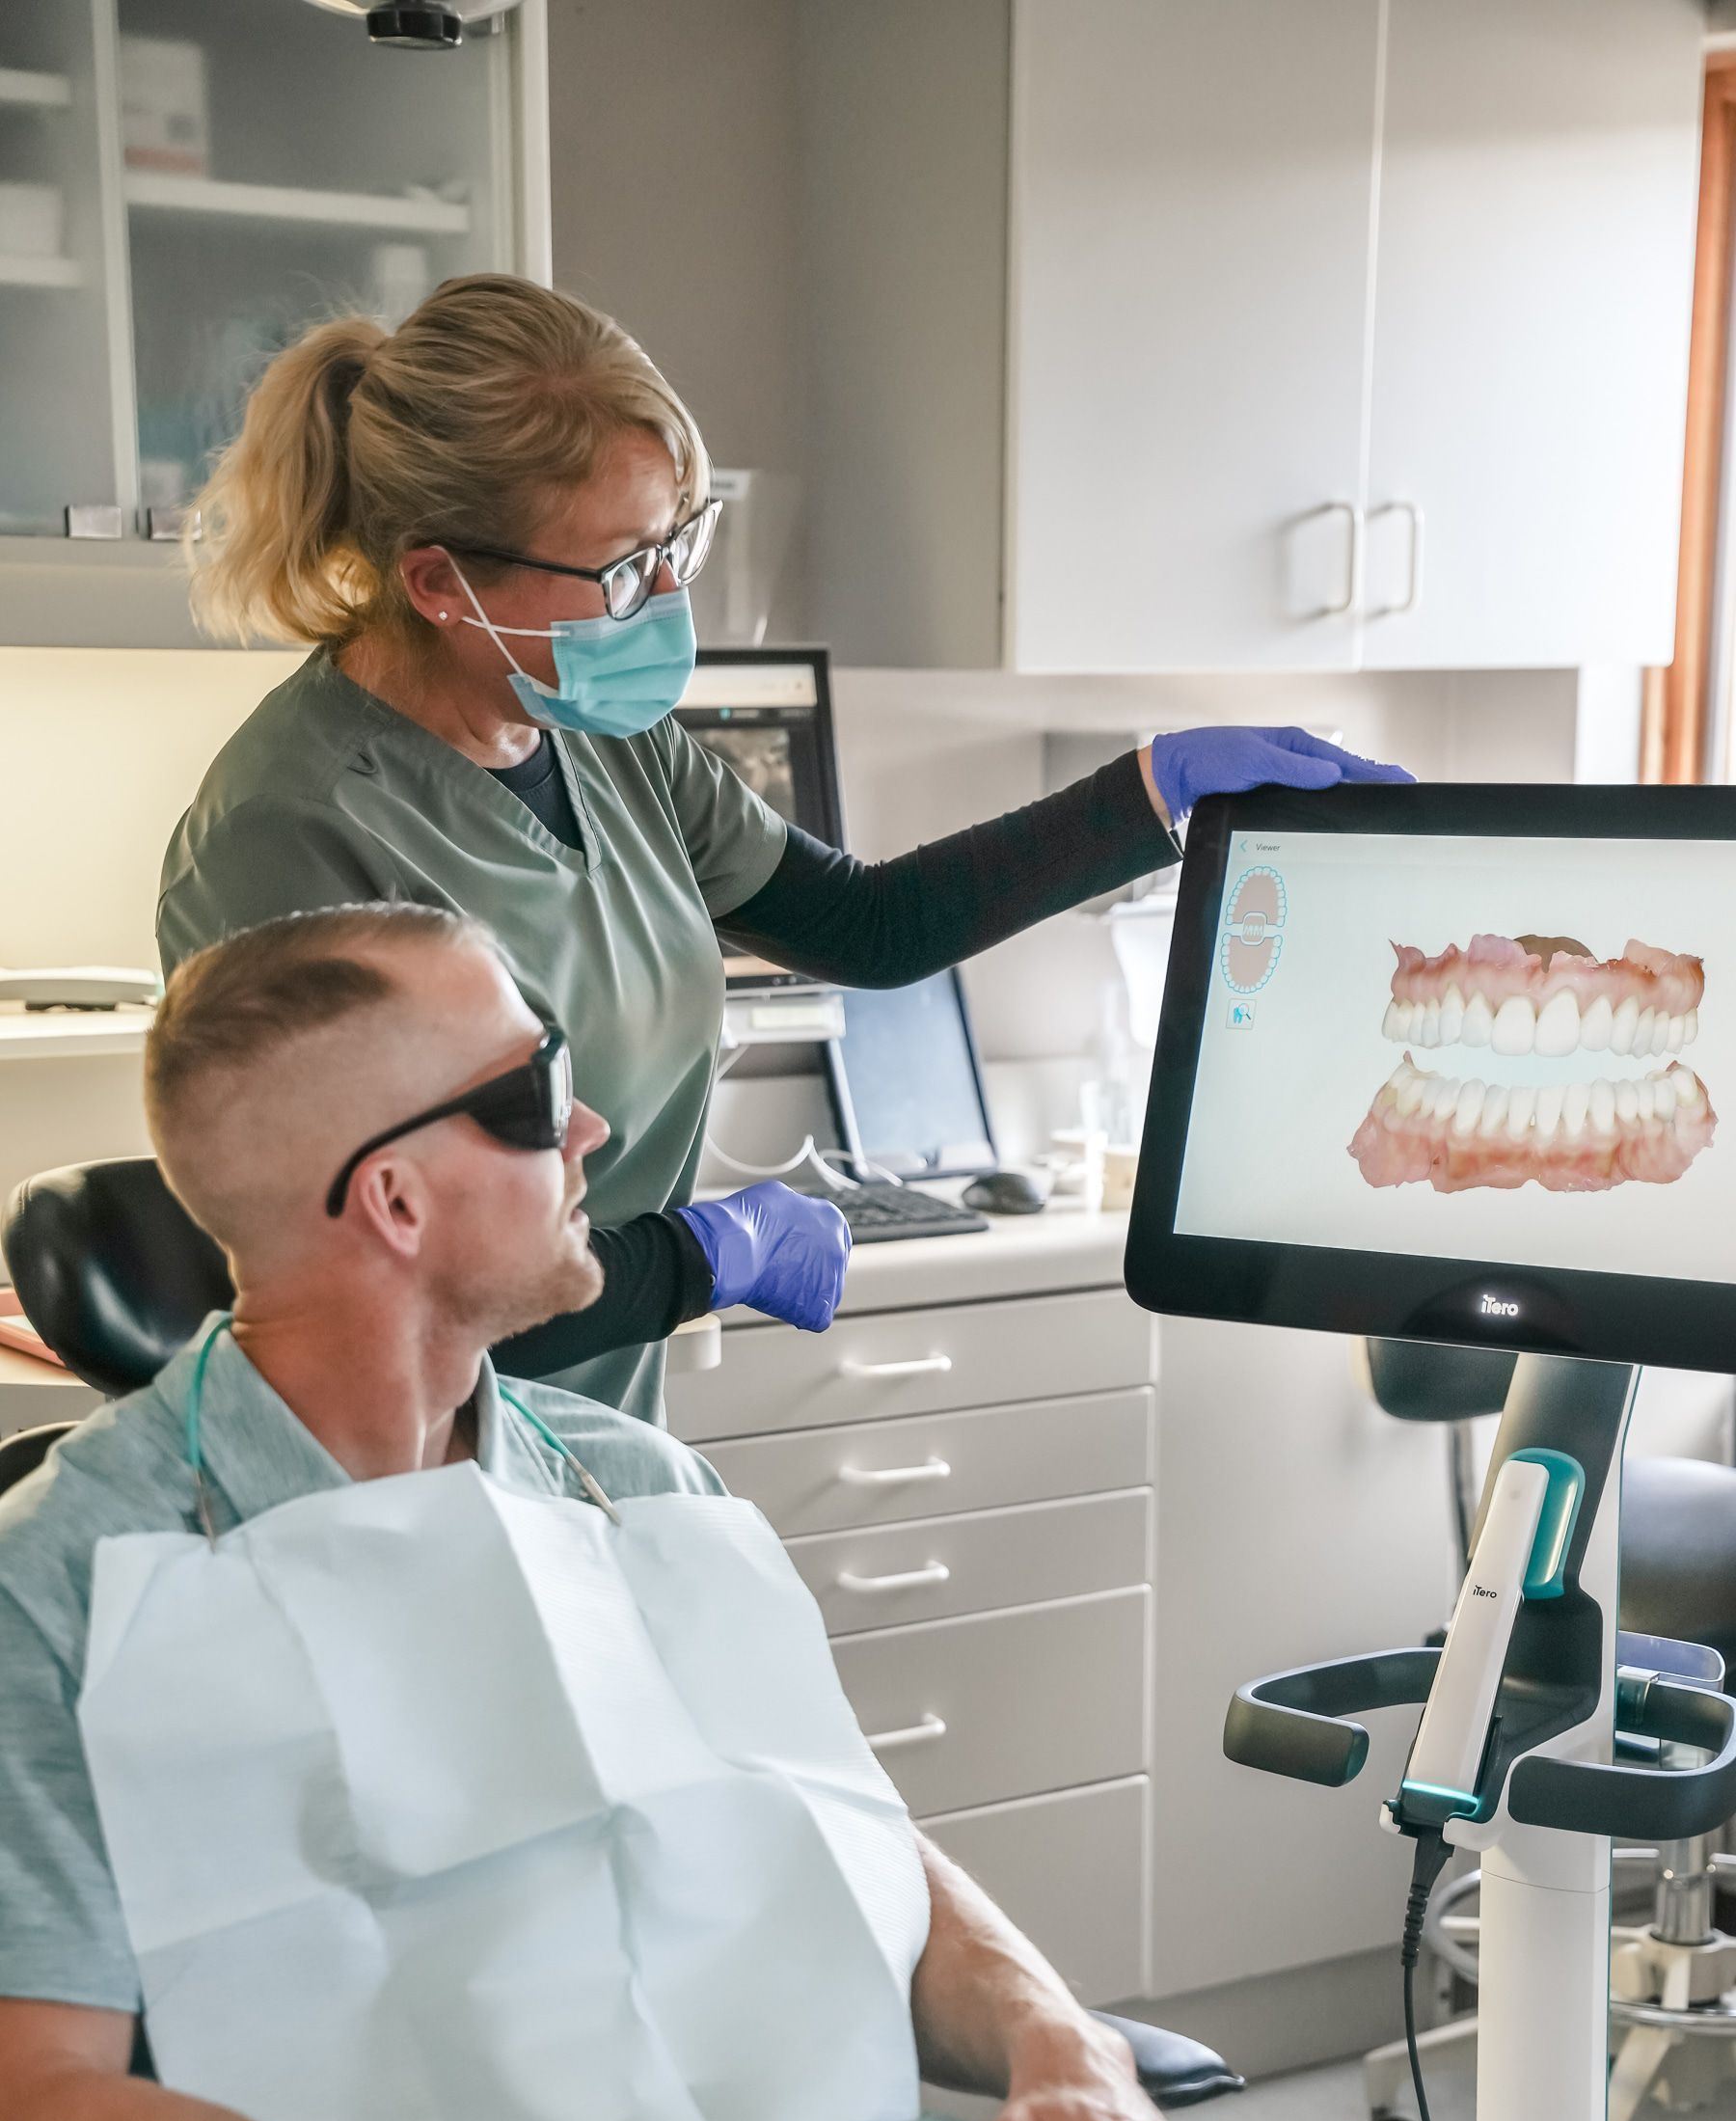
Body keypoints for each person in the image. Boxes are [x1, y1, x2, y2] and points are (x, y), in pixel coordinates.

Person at [0, 902, 1599, 2121]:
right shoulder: (78, 1579)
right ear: (393, 1199)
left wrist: (1049, 2035)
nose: (590, 1126)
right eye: (532, 1094)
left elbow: (848, 1844)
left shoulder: (633, 1486)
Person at [158, 272, 1410, 1423]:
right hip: (389, 1465)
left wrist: (1149, 792)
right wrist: (711, 1255)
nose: (667, 602)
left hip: (591, 1433)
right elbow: (383, 1284)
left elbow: (868, 926)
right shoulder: (291, 832)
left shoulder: (602, 740)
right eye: (622, 571)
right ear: (438, 583)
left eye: (676, 545)